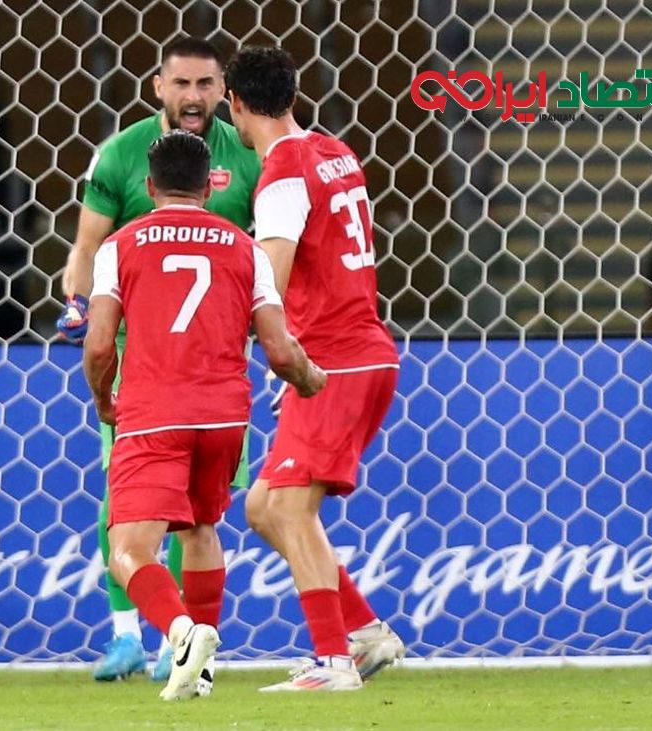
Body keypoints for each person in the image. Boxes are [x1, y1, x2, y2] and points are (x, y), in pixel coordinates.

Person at [83, 130, 325, 700]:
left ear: (149, 187)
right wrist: (310, 379)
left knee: (128, 550)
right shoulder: (246, 248)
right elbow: (280, 349)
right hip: (223, 418)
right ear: (209, 188)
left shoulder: (119, 246)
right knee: (200, 529)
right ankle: (203, 669)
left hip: (152, 414)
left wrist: (103, 399)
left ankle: (181, 633)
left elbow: (98, 345)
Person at [56, 37, 263, 681]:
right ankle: (128, 637)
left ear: (224, 90)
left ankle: (185, 648)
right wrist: (78, 301)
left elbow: (274, 243)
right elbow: (86, 248)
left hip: (216, 355)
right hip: (139, 358)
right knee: (125, 502)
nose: (193, 97)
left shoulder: (247, 155)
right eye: (182, 84)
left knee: (196, 514)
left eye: (205, 84)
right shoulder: (121, 153)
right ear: (158, 87)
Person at [224, 46, 406, 692]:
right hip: (364, 352)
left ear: (235, 105)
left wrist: (263, 352)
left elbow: (268, 285)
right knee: (264, 506)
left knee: (290, 508)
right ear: (294, 96)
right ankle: (366, 632)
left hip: (333, 361)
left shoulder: (282, 172)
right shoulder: (335, 151)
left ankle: (334, 660)